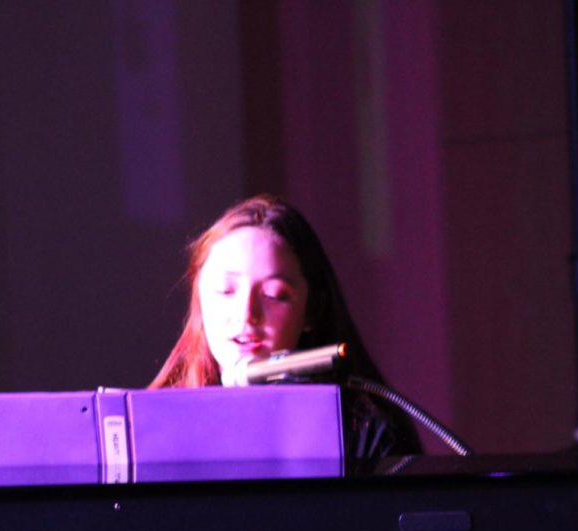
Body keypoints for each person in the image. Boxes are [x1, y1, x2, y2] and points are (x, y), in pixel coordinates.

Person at [150, 194, 422, 474]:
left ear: (311, 311)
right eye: (226, 291)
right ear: (200, 300)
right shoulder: (153, 424)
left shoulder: (364, 431)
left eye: (274, 295)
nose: (247, 314)